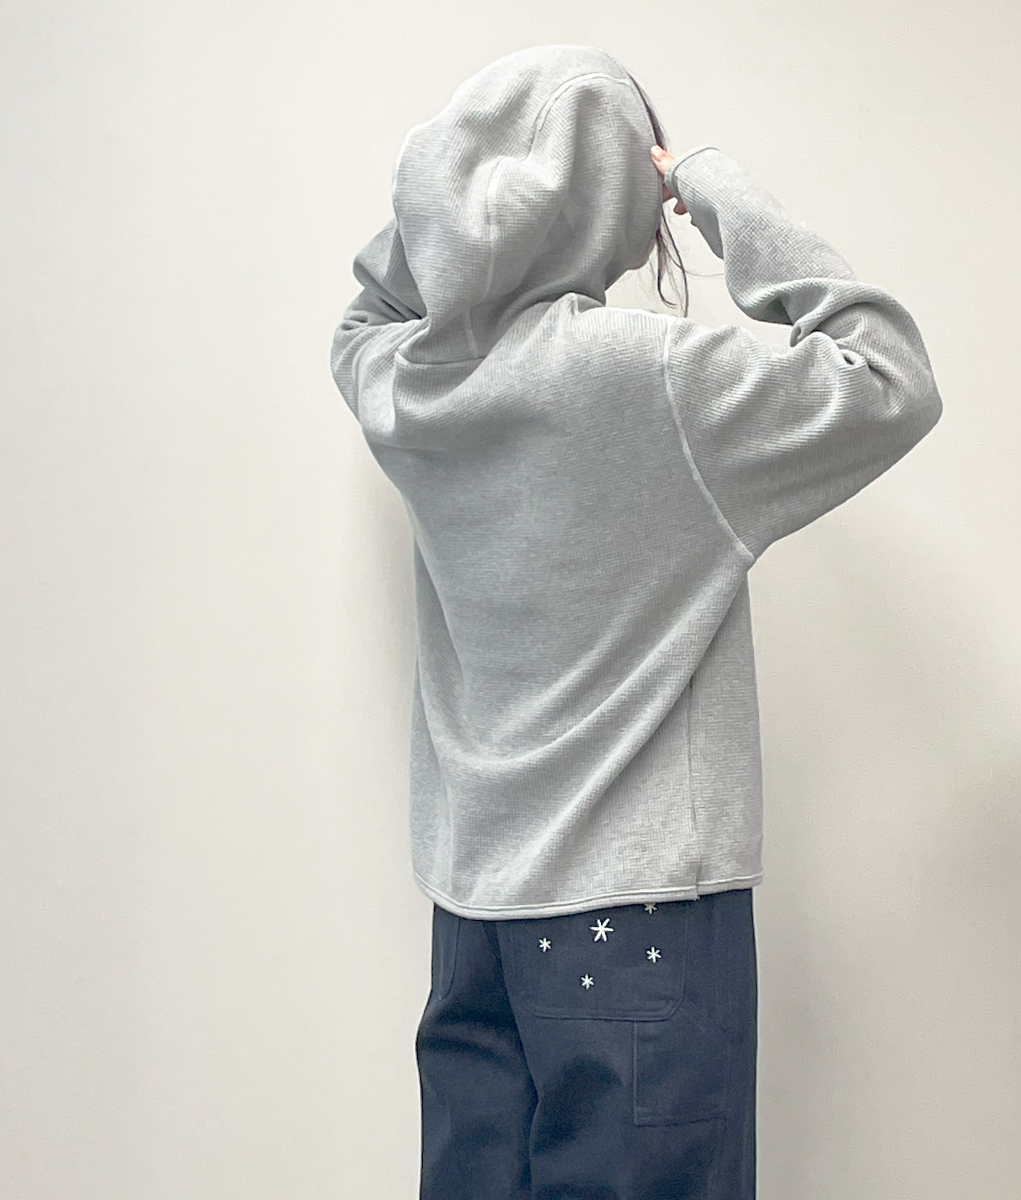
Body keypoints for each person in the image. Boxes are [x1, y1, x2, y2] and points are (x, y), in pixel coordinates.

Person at [329, 42, 943, 1200]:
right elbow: (891, 377)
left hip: (475, 921)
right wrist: (710, 186)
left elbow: (371, 307)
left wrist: (450, 191)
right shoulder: (647, 379)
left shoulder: (409, 382)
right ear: (616, 198)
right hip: (639, 909)